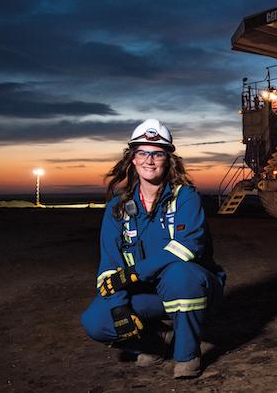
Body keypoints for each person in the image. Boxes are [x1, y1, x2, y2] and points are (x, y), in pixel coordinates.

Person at [81, 119, 226, 379]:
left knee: (179, 275)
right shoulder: (117, 208)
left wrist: (134, 273)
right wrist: (118, 307)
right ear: (133, 159)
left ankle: (187, 354)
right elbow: (109, 265)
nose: (150, 160)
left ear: (168, 159)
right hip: (150, 294)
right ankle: (158, 341)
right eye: (143, 153)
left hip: (196, 286)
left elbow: (186, 247)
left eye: (157, 153)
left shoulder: (186, 197)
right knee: (96, 322)